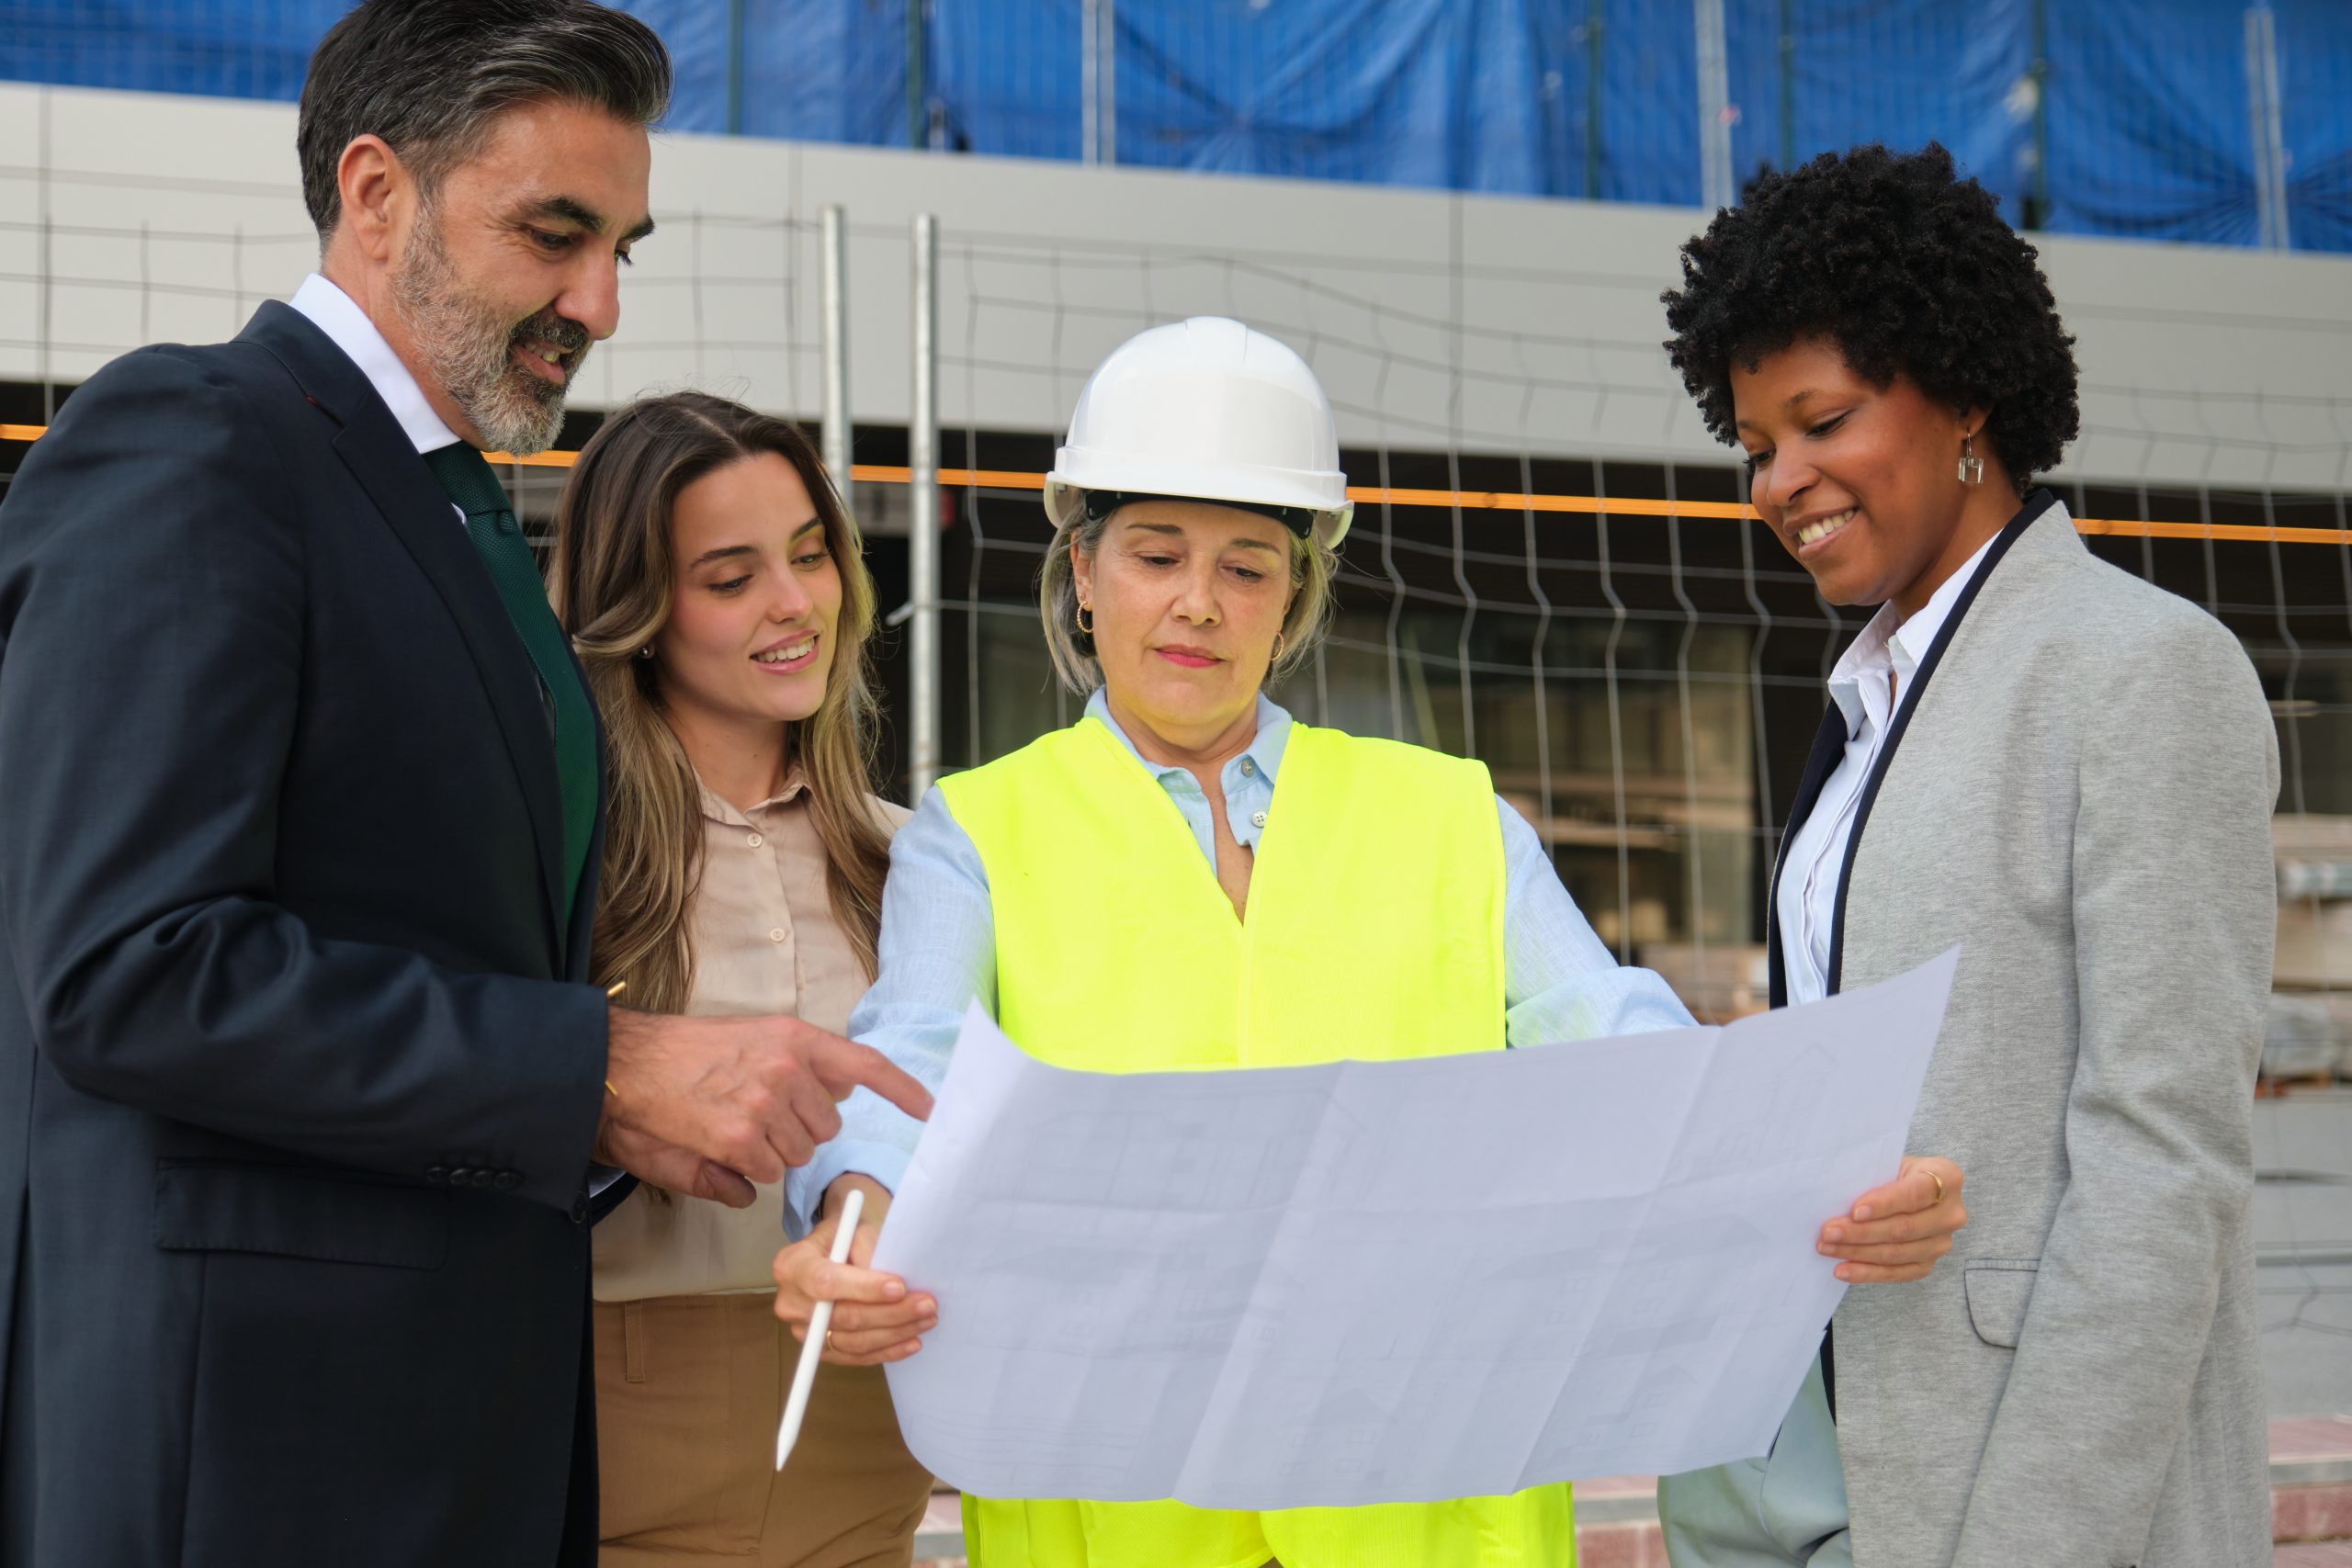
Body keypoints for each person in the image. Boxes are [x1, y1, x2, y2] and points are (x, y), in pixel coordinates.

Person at [767, 317, 1969, 1568]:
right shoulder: (979, 831)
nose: (1197, 602)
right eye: (1156, 553)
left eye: (1245, 565)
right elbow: (902, 1078)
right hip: (1128, 1511)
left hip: (1435, 1507)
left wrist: (1826, 1161)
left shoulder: (1451, 813)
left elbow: (1619, 1043)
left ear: (1294, 592)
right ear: (1082, 567)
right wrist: (856, 1220)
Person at [0, 6, 927, 1565]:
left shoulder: (454, 519)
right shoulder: (192, 441)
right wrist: (607, 1068)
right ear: (375, 194)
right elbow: (124, 969)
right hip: (246, 1458)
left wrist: (616, 1121)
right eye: (554, 235)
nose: (602, 302)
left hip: (442, 1437)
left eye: (624, 243)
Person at [1653, 142, 2278, 1568]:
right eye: (1756, 445)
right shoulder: (1867, 704)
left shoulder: (2141, 668)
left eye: (1823, 420)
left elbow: (2163, 1160)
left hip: (2036, 1494)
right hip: (1831, 1471)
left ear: (1965, 394)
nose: (1780, 480)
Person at [548, 392, 935, 1566]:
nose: (793, 604)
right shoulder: (561, 857)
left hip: (876, 1423)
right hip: (615, 1419)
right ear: (639, 613)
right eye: (730, 577)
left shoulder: (914, 854)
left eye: (811, 555)